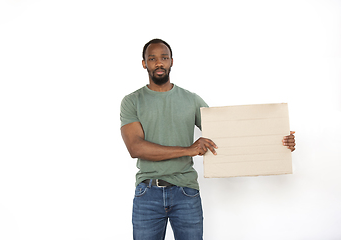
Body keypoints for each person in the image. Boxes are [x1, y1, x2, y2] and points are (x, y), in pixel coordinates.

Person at [120, 39, 296, 240]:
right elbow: (136, 147)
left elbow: (225, 133)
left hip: (186, 191)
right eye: (152, 59)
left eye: (164, 58)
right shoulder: (132, 101)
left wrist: (277, 141)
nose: (159, 63)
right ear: (144, 63)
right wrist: (188, 150)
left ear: (172, 62)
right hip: (147, 193)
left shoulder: (190, 99)